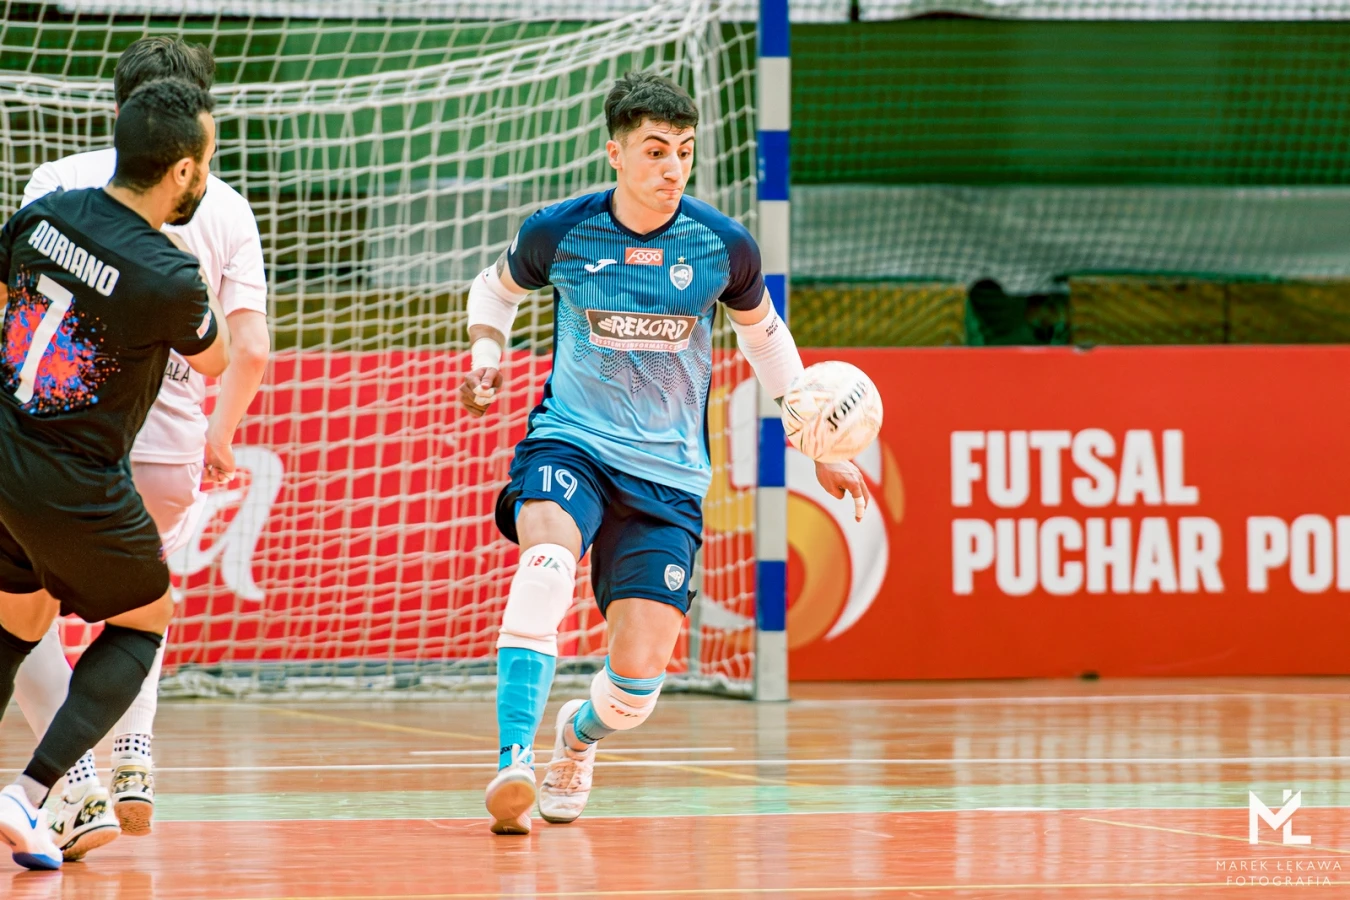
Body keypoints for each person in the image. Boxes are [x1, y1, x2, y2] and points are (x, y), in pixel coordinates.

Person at [460, 71, 869, 835]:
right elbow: (494, 290)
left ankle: (576, 739)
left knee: (636, 686)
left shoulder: (722, 246)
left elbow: (764, 339)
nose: (672, 167)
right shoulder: (561, 232)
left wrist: (813, 439)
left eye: (684, 150)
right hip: (573, 443)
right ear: (615, 153)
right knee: (545, 564)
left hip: (668, 475)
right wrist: (487, 353)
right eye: (654, 151)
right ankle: (512, 760)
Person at [12, 36, 269, 860]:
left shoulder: (48, 198)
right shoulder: (189, 243)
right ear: (186, 159)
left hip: (21, 441)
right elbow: (236, 352)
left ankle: (68, 786)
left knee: (22, 618)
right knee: (142, 608)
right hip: (119, 461)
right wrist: (219, 433)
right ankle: (93, 773)